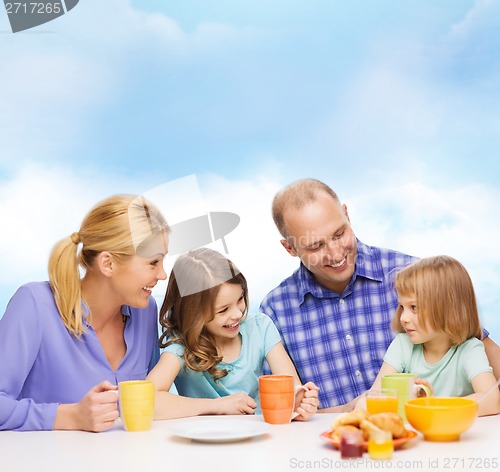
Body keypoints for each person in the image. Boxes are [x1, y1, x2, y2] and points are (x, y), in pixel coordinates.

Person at [260, 178, 500, 412]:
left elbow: (476, 344)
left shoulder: (412, 277)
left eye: (339, 234)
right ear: (289, 247)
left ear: (347, 214)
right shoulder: (275, 311)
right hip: (330, 444)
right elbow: (280, 412)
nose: (335, 253)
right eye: (316, 246)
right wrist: (347, 410)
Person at [0, 194, 169, 431]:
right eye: (153, 263)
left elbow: (152, 402)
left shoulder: (145, 311)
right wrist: (69, 416)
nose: (162, 275)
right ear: (108, 263)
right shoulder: (35, 305)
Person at [146, 247, 319, 420]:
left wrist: (299, 404)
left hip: (257, 437)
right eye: (223, 310)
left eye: (240, 299)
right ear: (194, 314)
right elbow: (147, 401)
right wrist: (217, 406)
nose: (237, 314)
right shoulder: (181, 345)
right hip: (203, 443)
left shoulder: (260, 327)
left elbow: (291, 387)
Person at [363, 255, 500, 417]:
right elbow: (375, 395)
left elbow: (492, 400)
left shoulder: (469, 349)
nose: (403, 318)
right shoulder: (402, 345)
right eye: (402, 307)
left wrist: (432, 405)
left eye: (414, 307)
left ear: (448, 309)